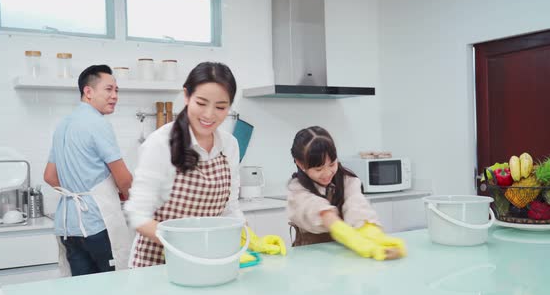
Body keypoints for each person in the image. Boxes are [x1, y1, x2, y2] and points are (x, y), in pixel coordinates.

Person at [125, 61, 285, 267]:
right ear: (186, 96)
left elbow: (229, 209)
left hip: (208, 260)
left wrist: (251, 239)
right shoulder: (160, 143)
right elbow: (138, 215)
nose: (209, 114)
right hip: (156, 264)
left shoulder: (229, 145)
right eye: (201, 103)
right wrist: (187, 242)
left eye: (220, 107)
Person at [43, 65, 133, 276]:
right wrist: (132, 201)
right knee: (114, 287)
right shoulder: (98, 123)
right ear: (88, 91)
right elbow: (124, 179)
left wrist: (77, 190)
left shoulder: (63, 125)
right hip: (97, 224)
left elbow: (49, 176)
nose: (114, 96)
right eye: (109, 89)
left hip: (69, 226)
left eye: (117, 90)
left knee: (83, 293)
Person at [287, 126, 406, 260]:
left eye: (332, 164)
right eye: (319, 169)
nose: (327, 173)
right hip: (310, 258)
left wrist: (374, 235)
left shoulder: (347, 181)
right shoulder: (297, 189)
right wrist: (352, 238)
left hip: (342, 255)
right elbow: (321, 212)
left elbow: (357, 205)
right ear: (300, 164)